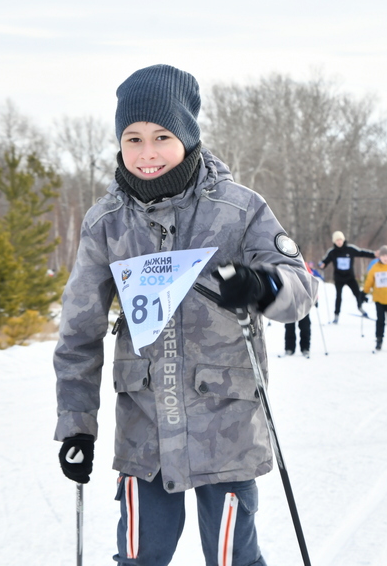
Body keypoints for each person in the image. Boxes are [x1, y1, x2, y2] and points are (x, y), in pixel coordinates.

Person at [53, 64, 318, 566]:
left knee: (232, 559)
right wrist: (76, 425)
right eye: (132, 138)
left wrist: (262, 287)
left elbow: (300, 292)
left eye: (161, 136)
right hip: (144, 435)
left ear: (188, 136)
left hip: (226, 425)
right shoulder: (105, 224)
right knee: (137, 558)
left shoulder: (240, 211)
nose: (146, 152)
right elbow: (78, 333)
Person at [318, 231, 375, 323]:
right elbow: (325, 261)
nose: (339, 242)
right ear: (334, 242)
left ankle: (360, 307)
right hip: (339, 278)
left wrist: (373, 255)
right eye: (337, 241)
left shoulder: (350, 249)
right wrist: (322, 264)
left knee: (357, 293)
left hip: (350, 277)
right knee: (339, 297)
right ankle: (336, 316)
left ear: (343, 240)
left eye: (340, 240)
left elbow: (361, 253)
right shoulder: (332, 252)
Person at [284, 261, 322, 357]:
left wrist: (315, 298)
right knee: (289, 325)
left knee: (305, 326)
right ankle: (289, 348)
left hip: (303, 301)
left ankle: (305, 348)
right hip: (290, 300)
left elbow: (311, 282)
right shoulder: (284, 263)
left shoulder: (303, 264)